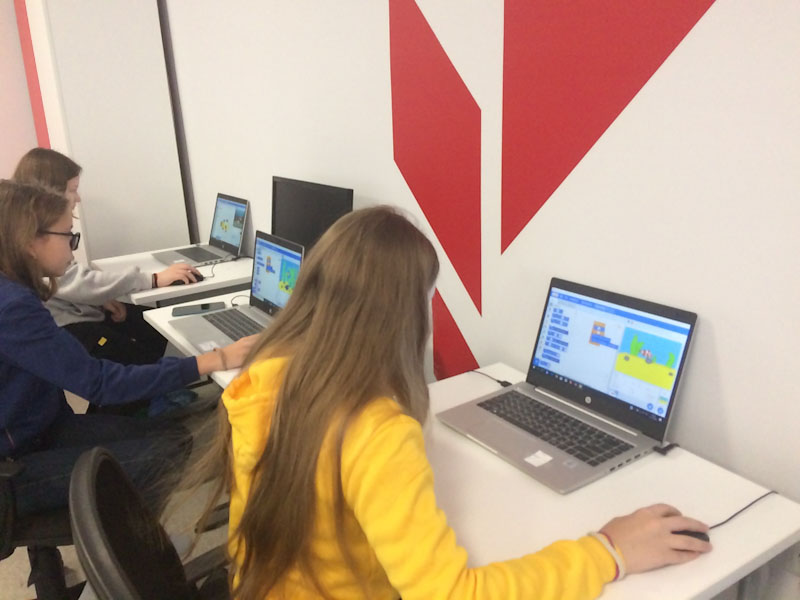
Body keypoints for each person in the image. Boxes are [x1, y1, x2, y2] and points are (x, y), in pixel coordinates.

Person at [187, 206, 711, 600]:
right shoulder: (375, 432)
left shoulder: (264, 377)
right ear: (405, 313)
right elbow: (450, 594)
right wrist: (608, 551)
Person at [0, 179, 256, 518]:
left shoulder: (14, 292)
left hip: (39, 428)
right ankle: (128, 544)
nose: (73, 251)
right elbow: (101, 383)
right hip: (14, 464)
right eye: (69, 237)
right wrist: (212, 360)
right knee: (162, 456)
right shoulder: (13, 308)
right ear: (31, 243)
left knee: (175, 438)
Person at [13, 147, 201, 365]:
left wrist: (100, 300)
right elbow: (77, 281)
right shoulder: (36, 241)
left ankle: (164, 379)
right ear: (50, 192)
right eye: (73, 190)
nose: (78, 198)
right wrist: (153, 279)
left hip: (77, 312)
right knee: (139, 359)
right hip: (69, 326)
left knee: (149, 325)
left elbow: (72, 285)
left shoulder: (35, 231)